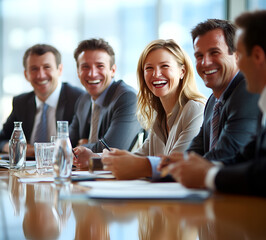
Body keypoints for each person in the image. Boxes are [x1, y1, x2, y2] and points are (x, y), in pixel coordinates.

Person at [162, 10, 266, 197]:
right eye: (199, 56)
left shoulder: (247, 94)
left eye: (240, 55)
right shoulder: (213, 101)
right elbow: (243, 158)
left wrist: (206, 175)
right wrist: (176, 166)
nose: (204, 62)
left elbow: (247, 167)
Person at [98, 39, 206, 179]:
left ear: (182, 72)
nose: (156, 74)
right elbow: (137, 159)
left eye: (164, 66)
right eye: (149, 68)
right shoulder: (159, 115)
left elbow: (176, 165)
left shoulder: (194, 109)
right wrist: (94, 159)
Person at [0, 44, 85, 156]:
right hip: (27, 172)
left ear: (59, 70)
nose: (40, 75)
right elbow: (2, 139)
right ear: (26, 74)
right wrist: (17, 147)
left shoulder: (79, 99)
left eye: (47, 67)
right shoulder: (21, 102)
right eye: (34, 69)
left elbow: (83, 143)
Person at [70, 38, 142, 159]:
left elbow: (111, 149)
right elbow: (66, 143)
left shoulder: (128, 98)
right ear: (78, 71)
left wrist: (84, 145)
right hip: (86, 174)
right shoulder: (83, 100)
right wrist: (88, 146)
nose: (92, 74)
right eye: (85, 67)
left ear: (112, 70)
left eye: (100, 66)